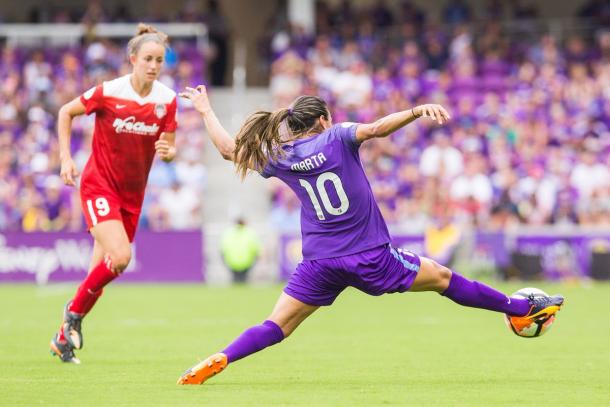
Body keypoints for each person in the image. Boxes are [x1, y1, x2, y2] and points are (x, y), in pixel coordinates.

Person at [176, 86, 564, 385]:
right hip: (368, 255)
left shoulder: (282, 156)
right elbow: (377, 128)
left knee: (277, 326)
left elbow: (229, 150)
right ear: (325, 119)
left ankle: (223, 358)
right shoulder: (337, 136)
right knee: (444, 279)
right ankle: (521, 309)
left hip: (319, 262)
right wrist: (415, 111)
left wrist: (206, 110)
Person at [49, 23, 178, 364]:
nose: (153, 66)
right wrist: (65, 157)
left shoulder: (167, 100)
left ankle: (63, 337)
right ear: (133, 59)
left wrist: (169, 152)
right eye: (148, 58)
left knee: (101, 273)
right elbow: (66, 112)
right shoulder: (109, 91)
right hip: (99, 184)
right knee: (121, 257)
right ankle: (72, 312)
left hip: (132, 196)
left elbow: (170, 145)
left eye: (159, 60)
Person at [220, 217, 261, 283]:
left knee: (235, 281)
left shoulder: (228, 233)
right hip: (246, 262)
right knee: (244, 281)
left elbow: (223, 248)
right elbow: (255, 248)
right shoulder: (250, 233)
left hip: (232, 262)